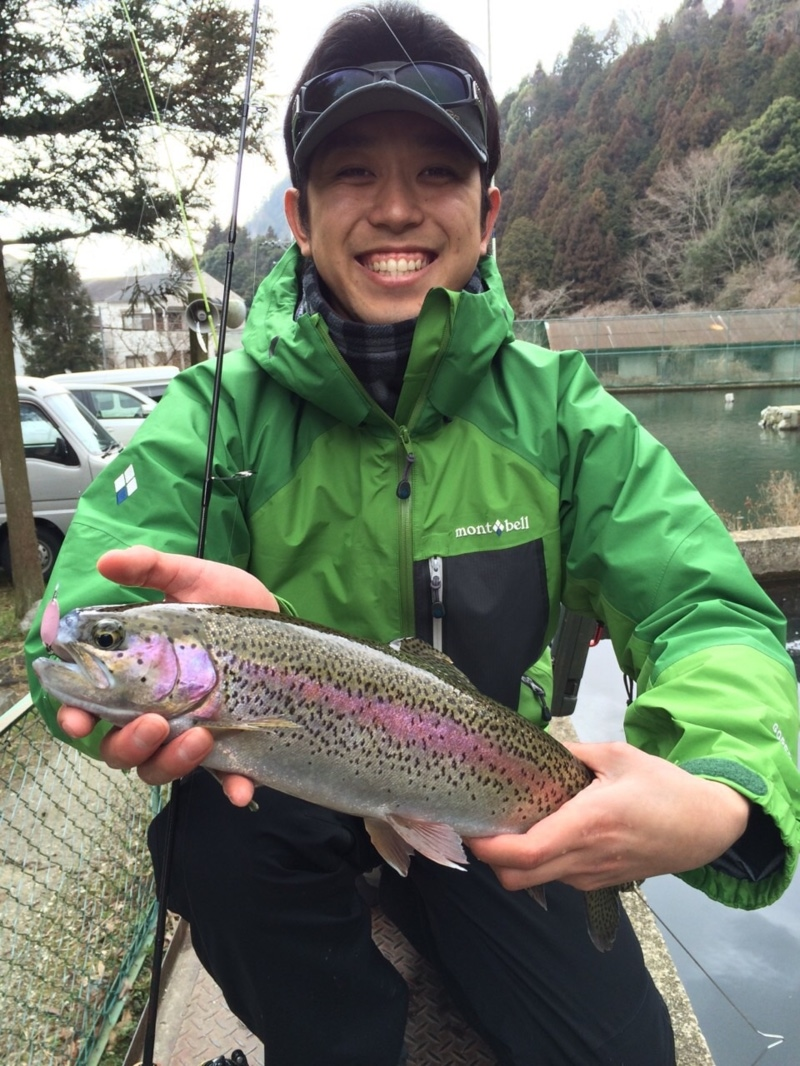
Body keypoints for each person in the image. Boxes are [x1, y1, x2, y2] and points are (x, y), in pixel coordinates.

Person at [25, 3, 800, 1064]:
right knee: (208, 839)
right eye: (352, 172)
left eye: (436, 173)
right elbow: (70, 618)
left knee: (620, 1051)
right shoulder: (212, 412)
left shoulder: (565, 414)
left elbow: (704, 606)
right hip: (278, 796)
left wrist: (717, 791)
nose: (394, 208)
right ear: (297, 214)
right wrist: (96, 664)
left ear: (488, 212)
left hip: (481, 782)